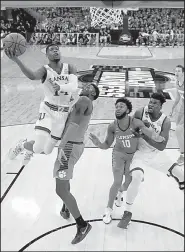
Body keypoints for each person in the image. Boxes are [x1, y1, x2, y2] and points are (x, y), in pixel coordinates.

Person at [115, 92, 184, 229]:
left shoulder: (165, 121)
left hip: (156, 153)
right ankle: (127, 212)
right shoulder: (141, 112)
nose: (151, 105)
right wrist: (137, 129)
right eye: (150, 102)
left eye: (154, 103)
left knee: (180, 173)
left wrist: (145, 136)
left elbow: (162, 146)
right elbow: (130, 128)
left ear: (161, 106)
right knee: (137, 176)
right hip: (139, 153)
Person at [5, 44, 79, 166]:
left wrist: (60, 87)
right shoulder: (45, 70)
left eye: (57, 49)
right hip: (48, 110)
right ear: (47, 55)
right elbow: (32, 76)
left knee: (47, 150)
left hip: (63, 114)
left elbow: (74, 86)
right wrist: (17, 60)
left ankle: (29, 147)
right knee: (38, 147)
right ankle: (22, 145)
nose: (55, 51)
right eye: (52, 49)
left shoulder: (70, 67)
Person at [54, 83, 100, 244]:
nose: (86, 86)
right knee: (63, 182)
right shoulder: (83, 101)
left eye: (90, 87)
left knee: (60, 190)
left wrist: (61, 145)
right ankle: (66, 206)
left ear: (93, 93)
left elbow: (74, 124)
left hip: (68, 147)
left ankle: (82, 225)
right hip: (74, 145)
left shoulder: (84, 99)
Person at [89, 98, 146, 224]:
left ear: (128, 110)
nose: (118, 108)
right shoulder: (112, 126)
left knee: (127, 184)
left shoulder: (136, 123)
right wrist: (98, 143)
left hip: (133, 156)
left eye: (121, 106)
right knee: (117, 181)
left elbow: (146, 135)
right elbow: (106, 145)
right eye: (116, 106)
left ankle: (120, 192)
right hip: (118, 154)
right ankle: (108, 209)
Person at [169, 65, 184, 165]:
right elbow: (178, 98)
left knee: (178, 130)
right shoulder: (177, 83)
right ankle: (182, 149)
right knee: (179, 130)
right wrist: (173, 108)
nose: (176, 72)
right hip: (182, 107)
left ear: (183, 73)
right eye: (175, 71)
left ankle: (182, 156)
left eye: (179, 71)